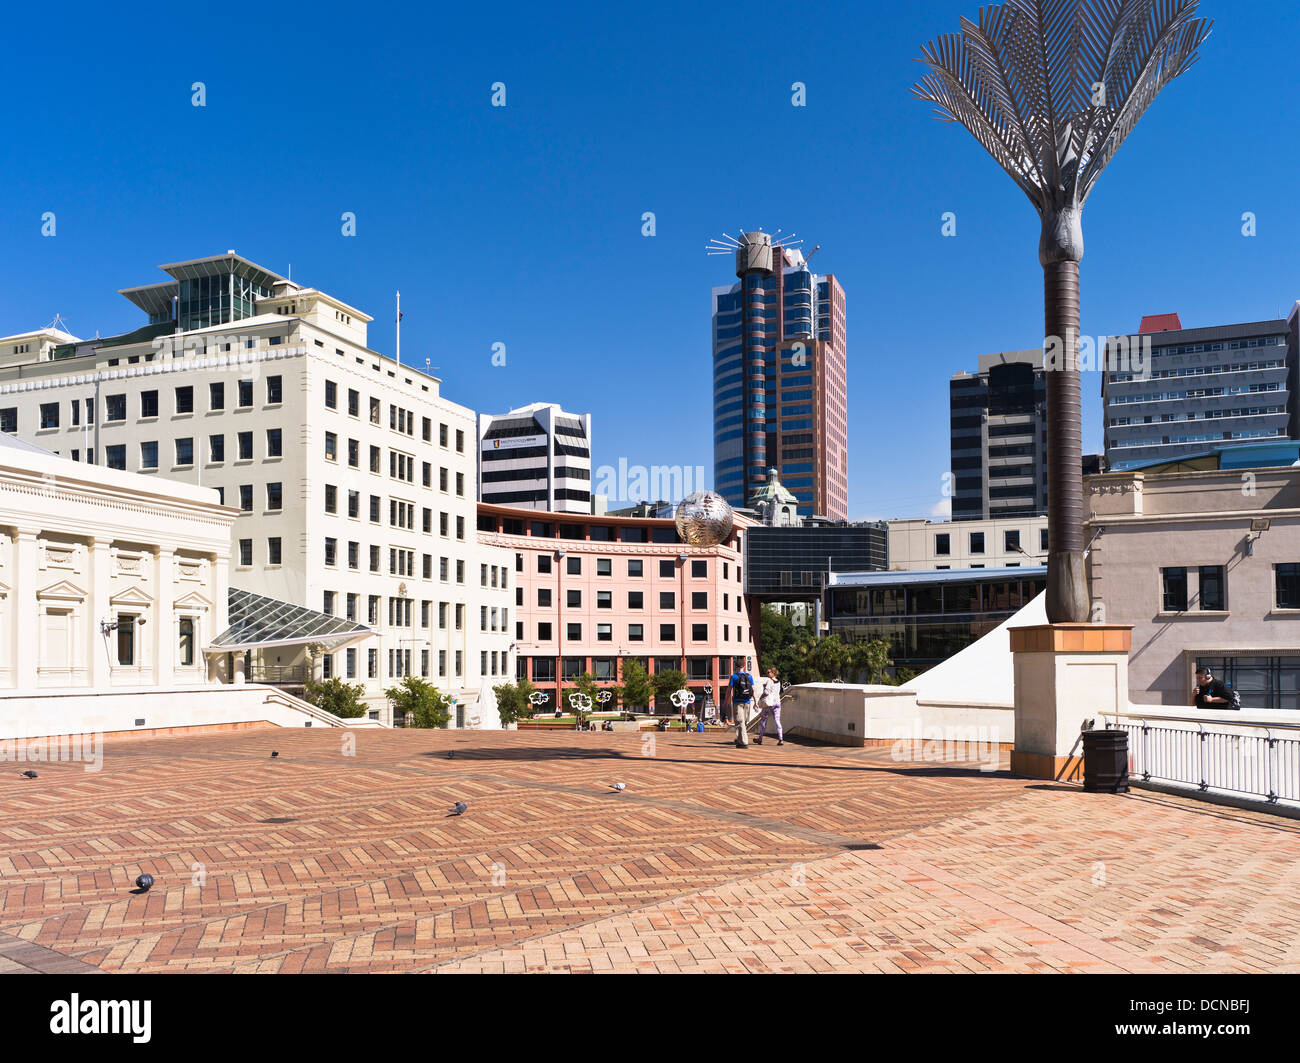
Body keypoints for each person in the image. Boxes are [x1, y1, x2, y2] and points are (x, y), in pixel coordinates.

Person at [728, 659, 756, 748]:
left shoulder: (734, 677)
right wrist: (755, 702)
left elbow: (729, 690)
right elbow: (753, 690)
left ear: (736, 667)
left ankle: (744, 742)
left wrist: (725, 702)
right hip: (747, 701)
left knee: (740, 722)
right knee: (744, 722)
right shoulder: (749, 676)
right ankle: (740, 740)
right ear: (743, 667)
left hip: (737, 701)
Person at [754, 667, 784, 746]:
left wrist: (760, 698)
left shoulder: (769, 681)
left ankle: (760, 739)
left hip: (769, 704)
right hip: (777, 703)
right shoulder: (778, 681)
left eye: (768, 672)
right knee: (777, 721)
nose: (767, 674)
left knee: (764, 721)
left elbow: (766, 692)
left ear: (773, 673)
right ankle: (781, 739)